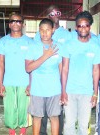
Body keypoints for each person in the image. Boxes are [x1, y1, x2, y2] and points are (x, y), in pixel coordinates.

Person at [61, 11, 100, 135]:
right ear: (76, 28)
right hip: (70, 91)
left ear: (90, 27)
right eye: (80, 26)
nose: (83, 28)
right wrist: (63, 91)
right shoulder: (68, 45)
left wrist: (95, 93)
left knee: (84, 126)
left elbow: (96, 71)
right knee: (69, 124)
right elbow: (64, 69)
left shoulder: (96, 47)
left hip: (87, 92)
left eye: (86, 25)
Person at [34, 5, 71, 135]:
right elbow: (33, 61)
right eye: (51, 13)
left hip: (55, 83)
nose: (54, 15)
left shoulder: (67, 35)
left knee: (56, 114)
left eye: (57, 12)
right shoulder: (38, 37)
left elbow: (65, 62)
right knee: (40, 114)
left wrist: (63, 87)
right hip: (39, 83)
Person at [0, 13, 33, 135]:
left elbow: (32, 64)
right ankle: (12, 131)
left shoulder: (29, 42)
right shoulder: (3, 42)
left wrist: (31, 84)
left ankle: (23, 130)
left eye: (18, 21)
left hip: (24, 81)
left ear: (22, 24)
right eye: (12, 21)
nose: (15, 23)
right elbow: (0, 63)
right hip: (8, 82)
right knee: (10, 109)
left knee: (24, 109)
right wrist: (0, 84)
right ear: (9, 24)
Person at [26, 18, 63, 135]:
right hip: (38, 89)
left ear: (53, 30)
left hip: (54, 89)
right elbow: (28, 68)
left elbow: (62, 70)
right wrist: (45, 56)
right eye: (42, 30)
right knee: (37, 117)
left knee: (54, 117)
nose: (44, 33)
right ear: (39, 31)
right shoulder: (33, 46)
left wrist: (63, 90)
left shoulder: (59, 46)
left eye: (47, 30)